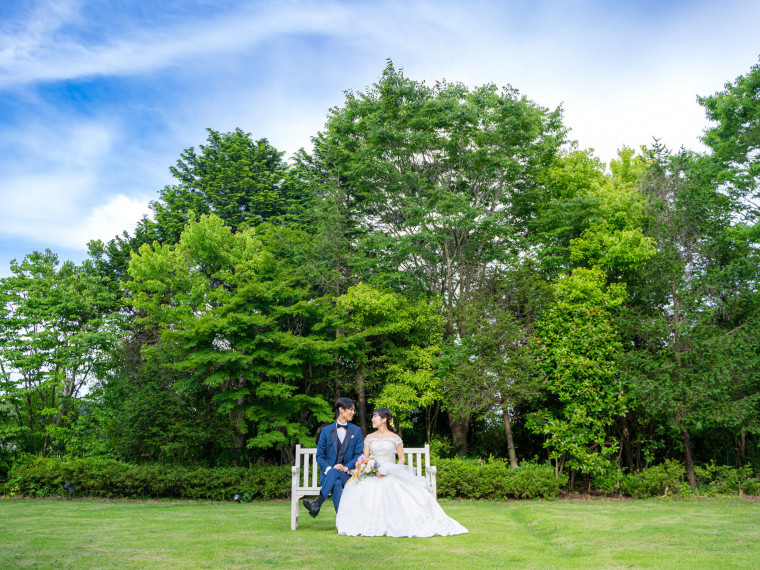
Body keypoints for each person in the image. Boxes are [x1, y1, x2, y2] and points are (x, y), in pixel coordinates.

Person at [335, 407, 468, 537]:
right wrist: (368, 468)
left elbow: (402, 459)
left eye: (375, 416)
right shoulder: (369, 437)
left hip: (391, 473)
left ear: (384, 419)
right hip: (373, 473)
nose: (372, 419)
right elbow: (365, 458)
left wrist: (390, 470)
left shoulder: (395, 438)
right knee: (358, 487)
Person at [302, 397, 364, 518]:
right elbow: (320, 456)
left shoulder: (356, 431)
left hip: (348, 475)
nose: (353, 413)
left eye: (353, 410)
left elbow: (358, 454)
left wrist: (346, 468)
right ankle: (343, 520)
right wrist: (330, 469)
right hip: (329, 474)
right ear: (341, 410)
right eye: (350, 409)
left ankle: (317, 504)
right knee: (335, 483)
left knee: (336, 477)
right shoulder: (326, 431)